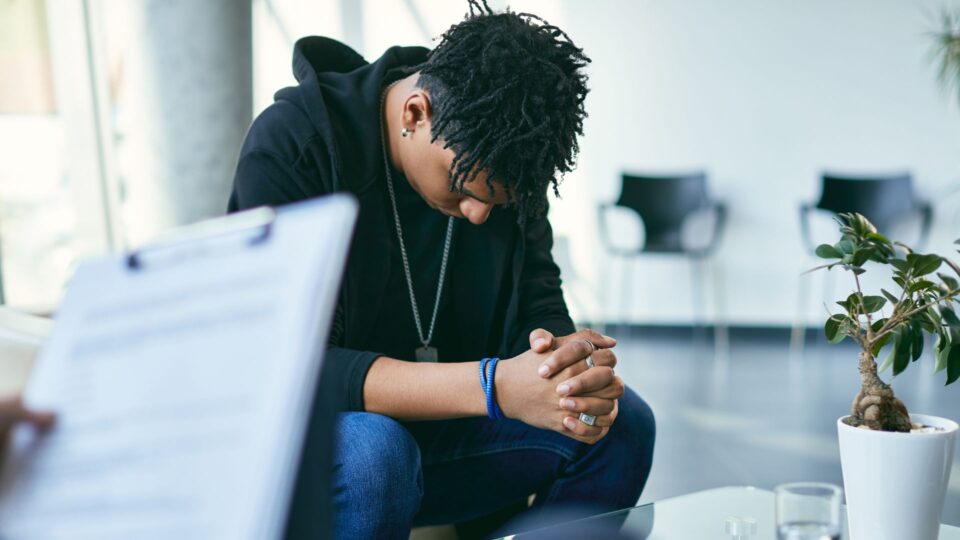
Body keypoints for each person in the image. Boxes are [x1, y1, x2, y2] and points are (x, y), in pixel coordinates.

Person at [228, 1, 656, 538]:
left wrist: (567, 372)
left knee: (622, 425)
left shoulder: (507, 153)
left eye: (497, 203)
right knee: (375, 454)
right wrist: (493, 386)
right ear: (415, 114)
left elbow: (538, 298)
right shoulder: (294, 148)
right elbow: (288, 370)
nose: (480, 214)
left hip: (446, 435)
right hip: (325, 450)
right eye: (464, 189)